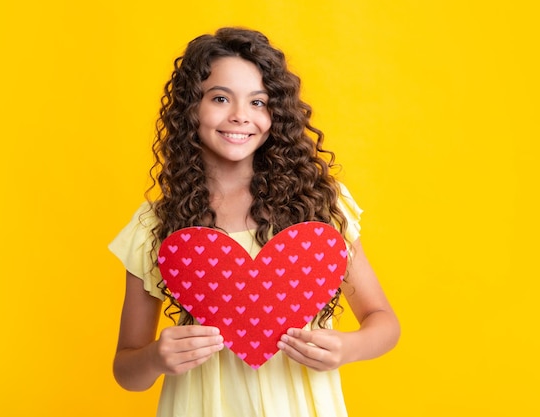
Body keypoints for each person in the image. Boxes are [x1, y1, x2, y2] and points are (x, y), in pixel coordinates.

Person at [108, 27, 400, 417]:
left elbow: (383, 322)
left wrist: (348, 348)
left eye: (258, 102)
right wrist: (157, 358)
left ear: (275, 113)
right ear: (191, 107)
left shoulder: (319, 205)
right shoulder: (155, 225)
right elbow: (127, 371)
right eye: (220, 98)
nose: (240, 116)